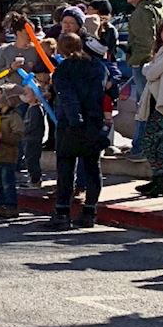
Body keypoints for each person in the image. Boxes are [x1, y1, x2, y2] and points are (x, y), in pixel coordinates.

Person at [46, 32, 109, 230]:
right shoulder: (99, 68)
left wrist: (75, 119)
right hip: (93, 123)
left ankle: (62, 213)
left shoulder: (63, 69)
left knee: (65, 168)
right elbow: (103, 93)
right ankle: (89, 212)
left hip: (70, 125)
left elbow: (67, 97)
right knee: (92, 168)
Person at [126, 0, 163, 161]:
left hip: (145, 63)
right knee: (159, 107)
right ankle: (159, 149)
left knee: (144, 107)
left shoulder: (142, 11)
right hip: (160, 62)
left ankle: (140, 149)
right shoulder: (160, 6)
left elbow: (145, 41)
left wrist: (137, 62)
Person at [134, 15, 163, 197]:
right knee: (157, 143)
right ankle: (159, 180)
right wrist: (149, 68)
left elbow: (151, 72)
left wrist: (148, 68)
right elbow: (150, 69)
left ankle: (162, 180)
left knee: (151, 141)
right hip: (155, 100)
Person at [0, 85, 26, 219]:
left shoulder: (13, 116)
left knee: (8, 183)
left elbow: (19, 136)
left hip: (8, 155)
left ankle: (11, 206)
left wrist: (4, 137)